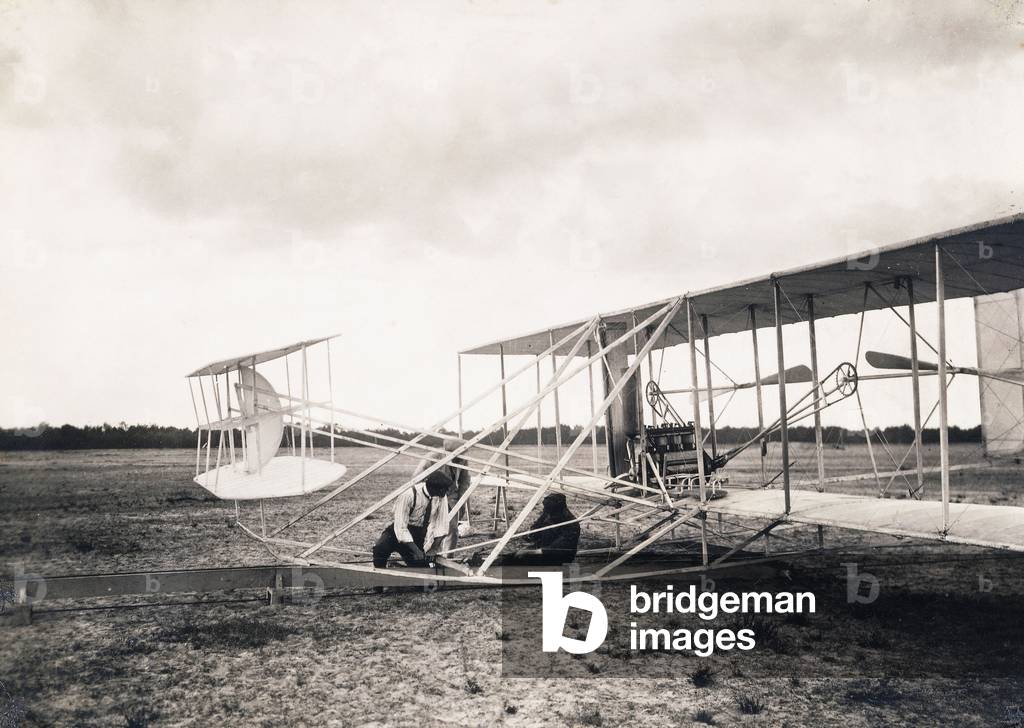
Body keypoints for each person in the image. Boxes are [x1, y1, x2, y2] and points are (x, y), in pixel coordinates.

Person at [372, 470, 453, 569]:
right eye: (444, 490)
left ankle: (395, 566)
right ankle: (380, 578)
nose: (446, 493)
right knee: (380, 548)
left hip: (417, 533)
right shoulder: (408, 495)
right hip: (397, 531)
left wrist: (433, 549)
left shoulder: (441, 496)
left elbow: (442, 525)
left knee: (421, 567)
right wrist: (416, 551)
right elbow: (401, 528)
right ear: (432, 488)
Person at [412, 438, 471, 552]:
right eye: (459, 454)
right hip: (433, 496)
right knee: (433, 529)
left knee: (452, 529)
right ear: (449, 452)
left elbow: (465, 480)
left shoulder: (462, 459)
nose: (461, 457)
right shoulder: (433, 457)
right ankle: (432, 557)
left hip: (451, 497)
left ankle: (448, 557)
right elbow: (417, 479)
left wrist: (461, 501)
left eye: (463, 454)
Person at [508, 493, 580, 566]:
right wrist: (532, 533)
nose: (546, 511)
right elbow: (535, 532)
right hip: (543, 549)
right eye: (545, 508)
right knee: (509, 558)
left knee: (520, 563)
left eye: (548, 510)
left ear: (557, 509)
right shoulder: (549, 514)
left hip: (558, 557)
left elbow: (556, 549)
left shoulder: (571, 524)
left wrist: (529, 552)